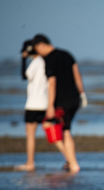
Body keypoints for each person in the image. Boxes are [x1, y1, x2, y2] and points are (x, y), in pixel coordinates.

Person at [32, 34, 87, 173]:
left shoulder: (50, 59)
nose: (38, 53)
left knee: (63, 129)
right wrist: (82, 94)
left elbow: (52, 83)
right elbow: (77, 74)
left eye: (37, 50)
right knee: (65, 128)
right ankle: (70, 161)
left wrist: (50, 105)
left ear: (41, 45)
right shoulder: (67, 54)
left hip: (62, 101)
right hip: (75, 98)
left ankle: (73, 163)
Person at [14, 40, 48, 171]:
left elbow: (24, 76)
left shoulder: (36, 62)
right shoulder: (45, 61)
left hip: (33, 104)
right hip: (45, 103)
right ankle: (69, 159)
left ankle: (30, 163)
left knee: (30, 135)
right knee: (52, 133)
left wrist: (23, 60)